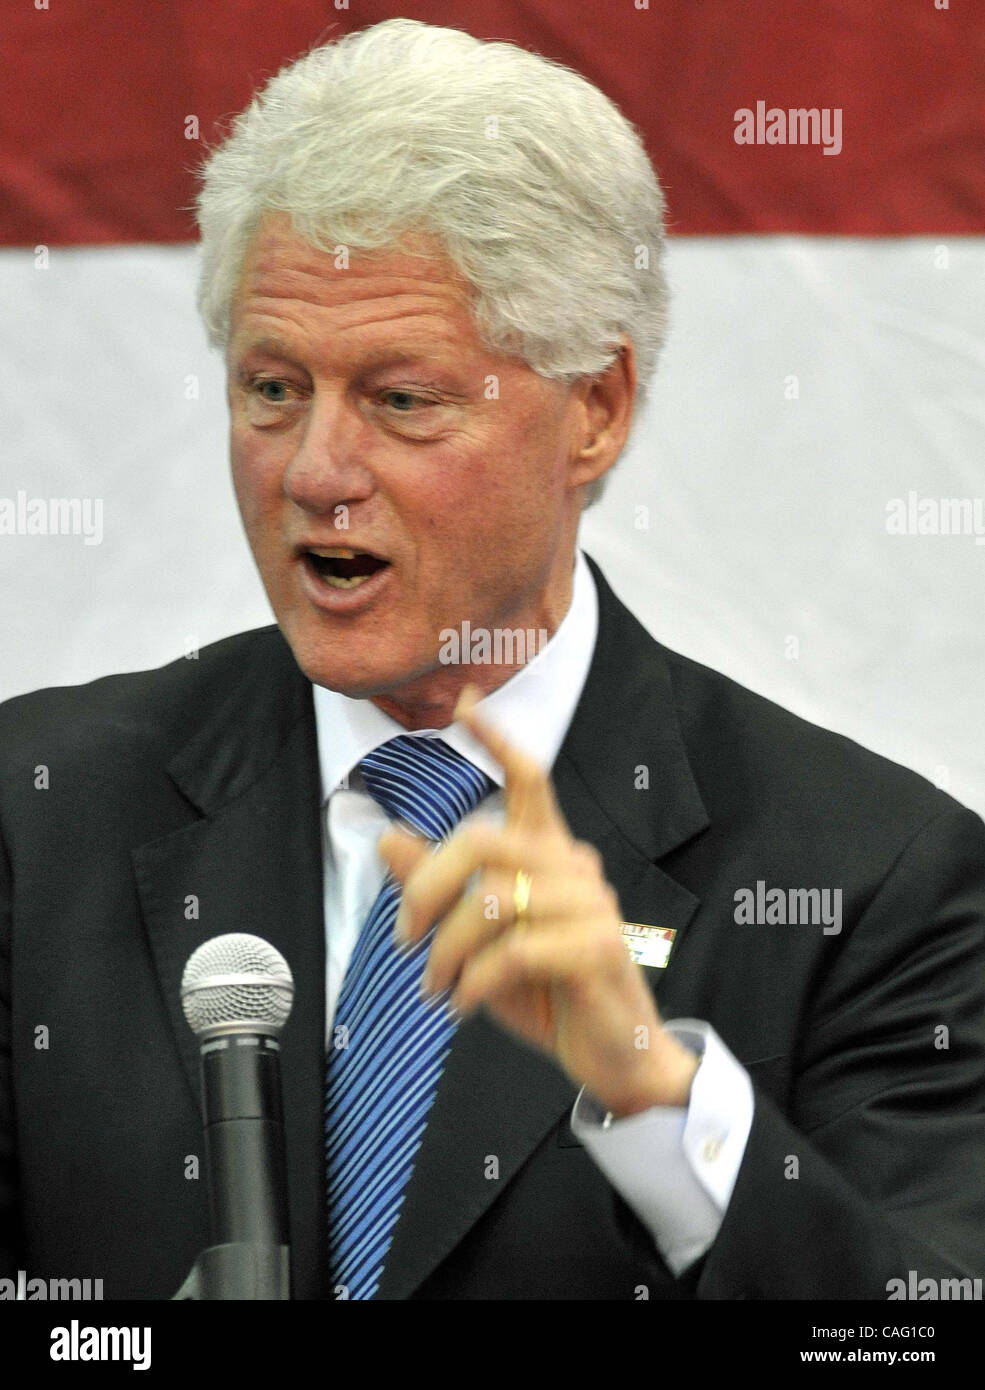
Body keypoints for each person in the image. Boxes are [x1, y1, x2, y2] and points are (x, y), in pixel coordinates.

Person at [1, 19, 984, 1301]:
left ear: (595, 407)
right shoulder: (37, 817)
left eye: (402, 398)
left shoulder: (871, 881)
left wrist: (657, 1101)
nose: (316, 472)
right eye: (272, 388)